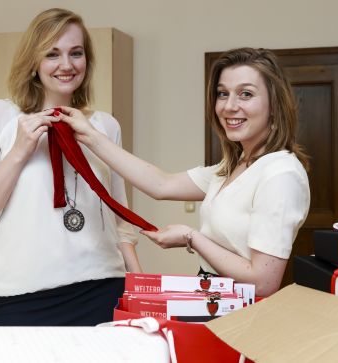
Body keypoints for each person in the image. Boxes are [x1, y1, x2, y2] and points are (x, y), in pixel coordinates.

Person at [60, 47, 311, 297]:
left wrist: (191, 237)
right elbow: (162, 184)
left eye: (246, 94)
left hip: (243, 312)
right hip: (214, 296)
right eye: (222, 94)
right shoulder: (235, 166)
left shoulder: (280, 174)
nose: (229, 106)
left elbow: (263, 283)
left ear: (274, 105)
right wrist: (91, 136)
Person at [0, 8, 142, 326]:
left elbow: (120, 218)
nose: (67, 65)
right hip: (23, 300)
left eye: (76, 53)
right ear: (33, 62)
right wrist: (19, 152)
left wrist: (138, 285)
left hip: (104, 291)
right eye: (52, 54)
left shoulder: (104, 126)